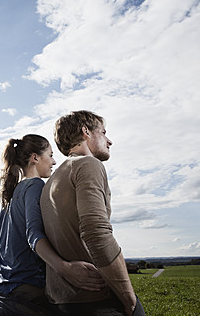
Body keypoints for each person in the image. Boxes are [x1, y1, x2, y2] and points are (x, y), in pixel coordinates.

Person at [0, 134, 105, 316]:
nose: (54, 161)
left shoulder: (11, 194)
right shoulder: (35, 185)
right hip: (28, 289)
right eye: (51, 155)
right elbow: (33, 234)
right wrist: (64, 268)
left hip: (6, 287)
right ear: (35, 158)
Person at [40, 111, 146, 316]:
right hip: (95, 302)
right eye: (104, 132)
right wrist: (129, 299)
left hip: (60, 301)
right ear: (85, 131)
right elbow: (96, 233)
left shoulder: (50, 183)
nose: (110, 140)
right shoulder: (87, 164)